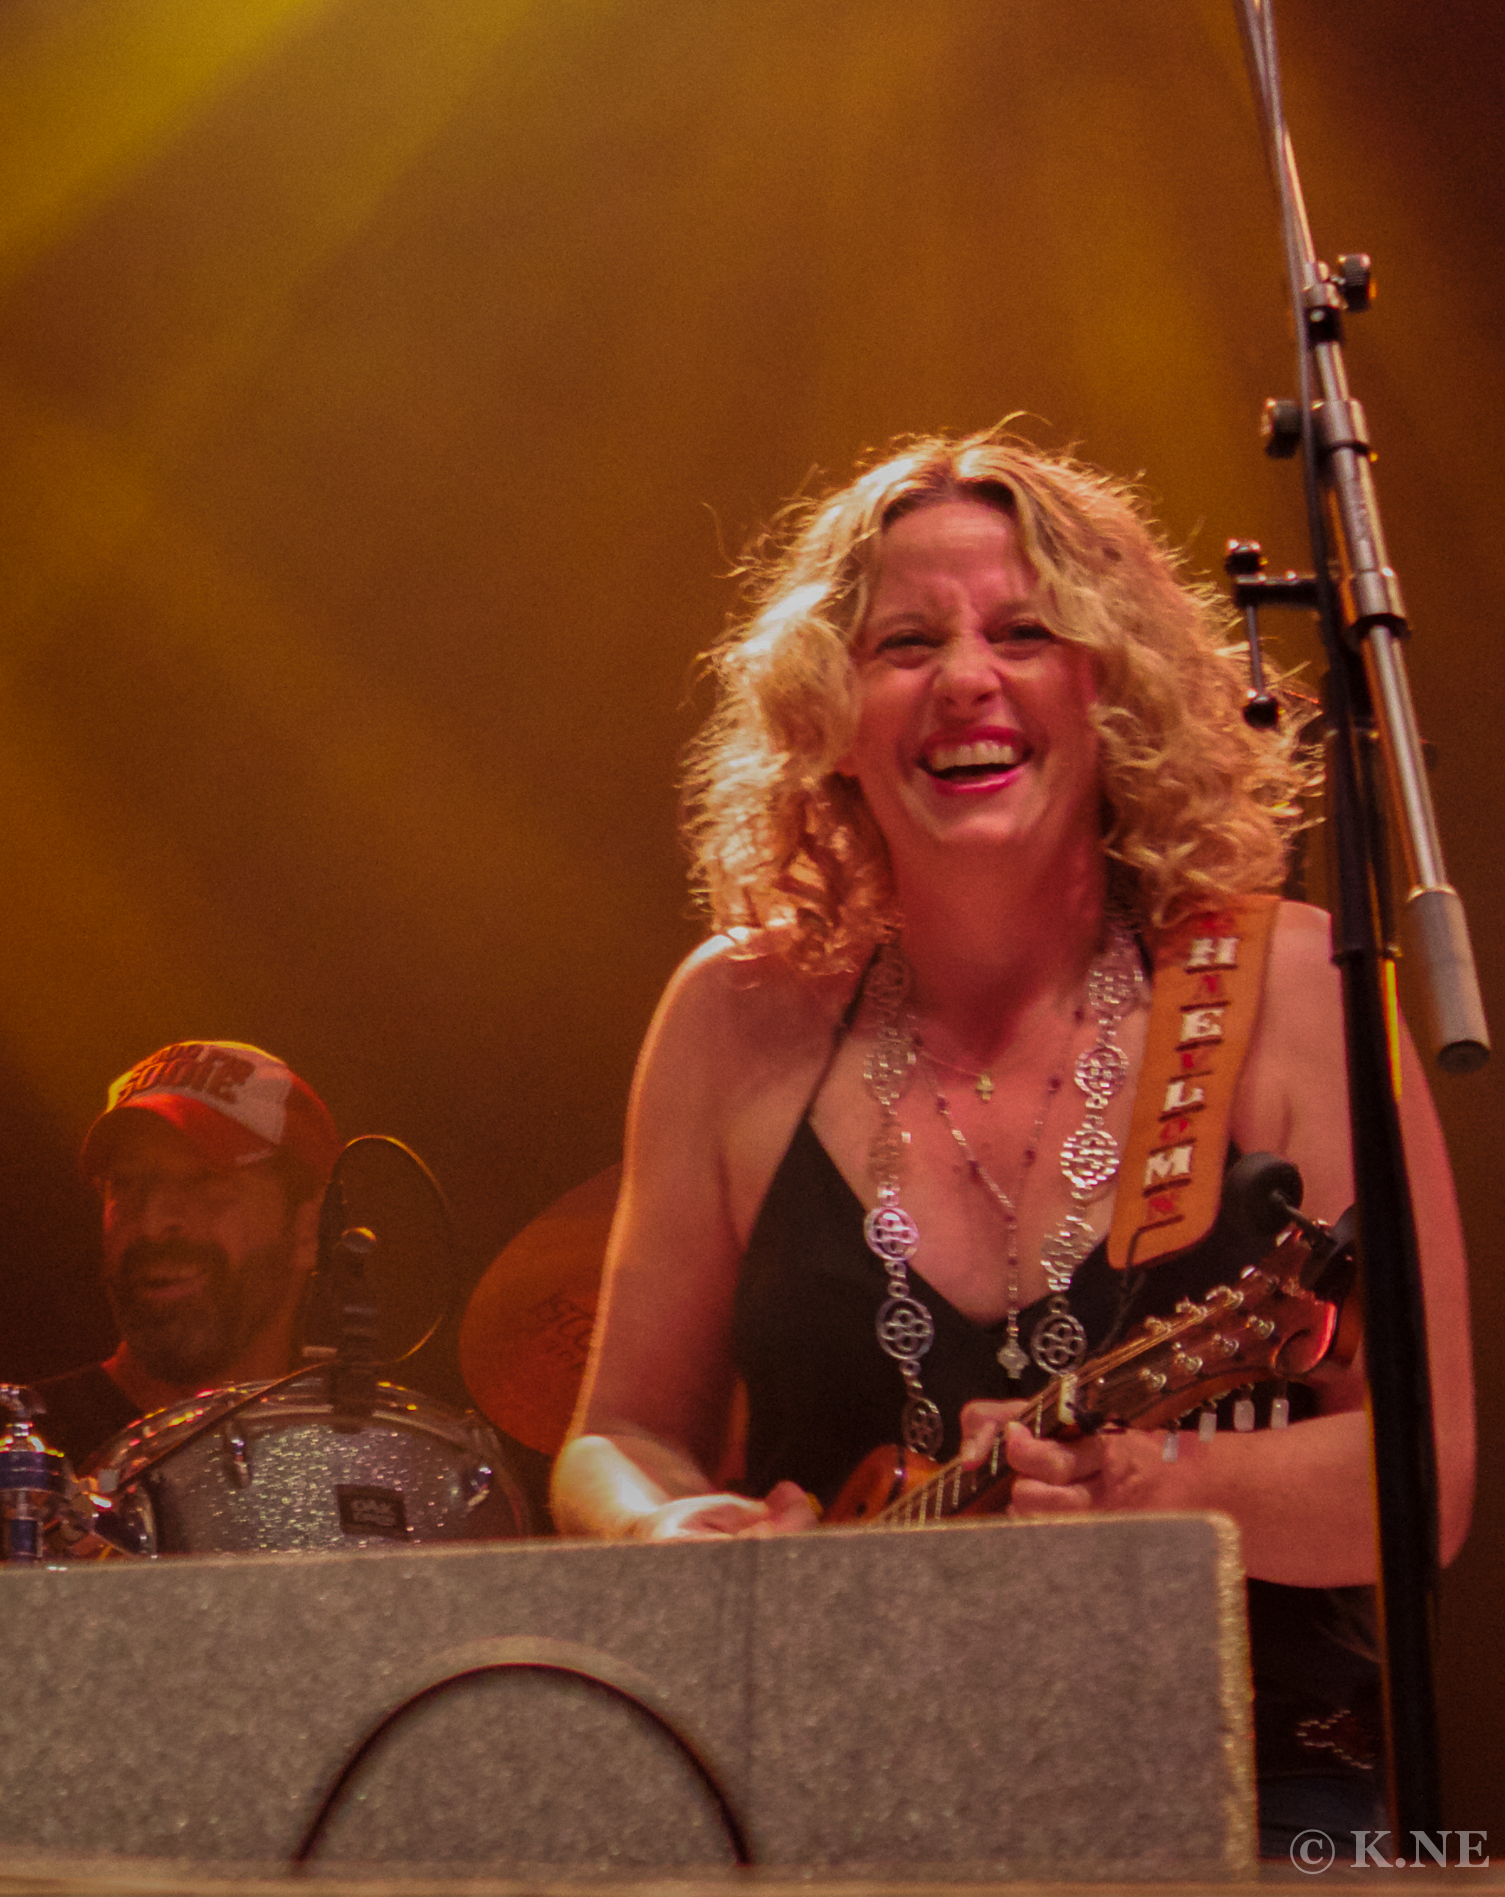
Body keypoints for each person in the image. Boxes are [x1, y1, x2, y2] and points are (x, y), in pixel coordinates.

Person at [550, 429, 1474, 1852]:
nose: (966, 679)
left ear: (1111, 689)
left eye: (1024, 633)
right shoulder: (732, 1015)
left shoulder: (1284, 984)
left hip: (1247, 1799)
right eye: (904, 642)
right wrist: (655, 1529)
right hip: (827, 1802)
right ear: (828, 713)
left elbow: (1421, 1475)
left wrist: (1157, 1485)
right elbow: (619, 1434)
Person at [0, 1040, 339, 1564]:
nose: (152, 1221)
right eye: (127, 1184)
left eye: (205, 1180)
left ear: (307, 1227)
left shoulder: (374, 1466)